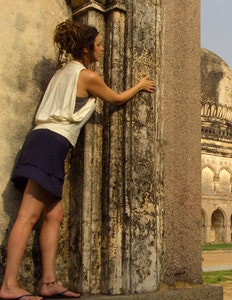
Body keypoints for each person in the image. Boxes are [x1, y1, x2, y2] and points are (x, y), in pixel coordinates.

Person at [0, 20, 156, 300]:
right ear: (85, 49)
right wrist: (141, 85)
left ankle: (48, 282)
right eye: (98, 45)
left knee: (54, 215)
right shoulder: (86, 76)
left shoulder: (63, 73)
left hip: (48, 143)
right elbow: (116, 99)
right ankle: (9, 284)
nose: (101, 49)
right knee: (28, 215)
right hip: (49, 143)